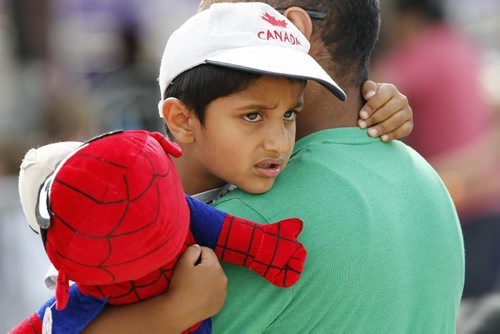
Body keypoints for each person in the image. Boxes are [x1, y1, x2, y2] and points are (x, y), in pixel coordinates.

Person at [74, 2, 418, 333]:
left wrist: (378, 105)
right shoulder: (122, 202)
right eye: (252, 116)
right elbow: (61, 317)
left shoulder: (241, 175)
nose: (278, 143)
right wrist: (170, 314)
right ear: (181, 119)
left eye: (289, 114)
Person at [373, 0, 500, 301]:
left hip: (456, 204)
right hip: (486, 200)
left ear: (407, 19)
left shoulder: (418, 54)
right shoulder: (461, 48)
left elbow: (364, 92)